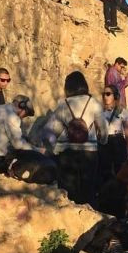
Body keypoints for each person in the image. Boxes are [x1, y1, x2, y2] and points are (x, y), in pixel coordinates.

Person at [42, 71, 108, 206]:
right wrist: (102, 141)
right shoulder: (93, 103)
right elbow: (103, 128)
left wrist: (54, 148)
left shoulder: (63, 105)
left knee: (68, 194)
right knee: (88, 191)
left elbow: (48, 133)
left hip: (67, 154)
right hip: (89, 153)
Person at [98, 84, 128, 186]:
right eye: (104, 94)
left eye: (108, 94)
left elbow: (127, 132)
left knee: (120, 171)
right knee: (104, 171)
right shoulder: (99, 112)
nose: (105, 97)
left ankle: (121, 195)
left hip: (118, 140)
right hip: (104, 142)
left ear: (115, 96)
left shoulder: (123, 112)